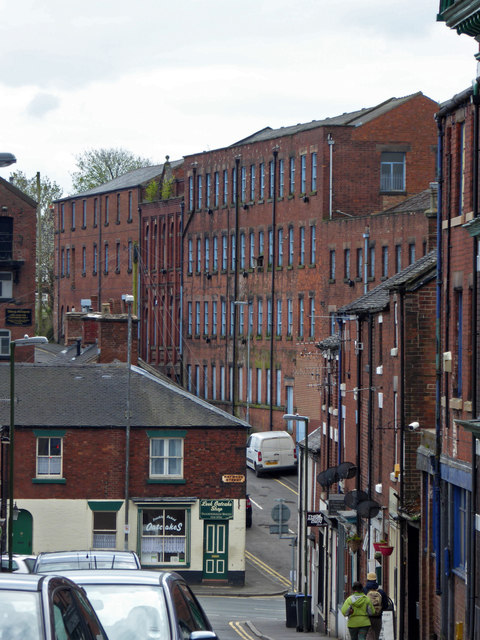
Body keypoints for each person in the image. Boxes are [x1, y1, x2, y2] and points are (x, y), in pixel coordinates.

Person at [364, 572, 389, 640]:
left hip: (367, 617)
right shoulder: (381, 592)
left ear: (367, 580)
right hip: (378, 617)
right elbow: (386, 605)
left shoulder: (364, 591)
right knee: (376, 635)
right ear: (375, 580)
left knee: (368, 635)